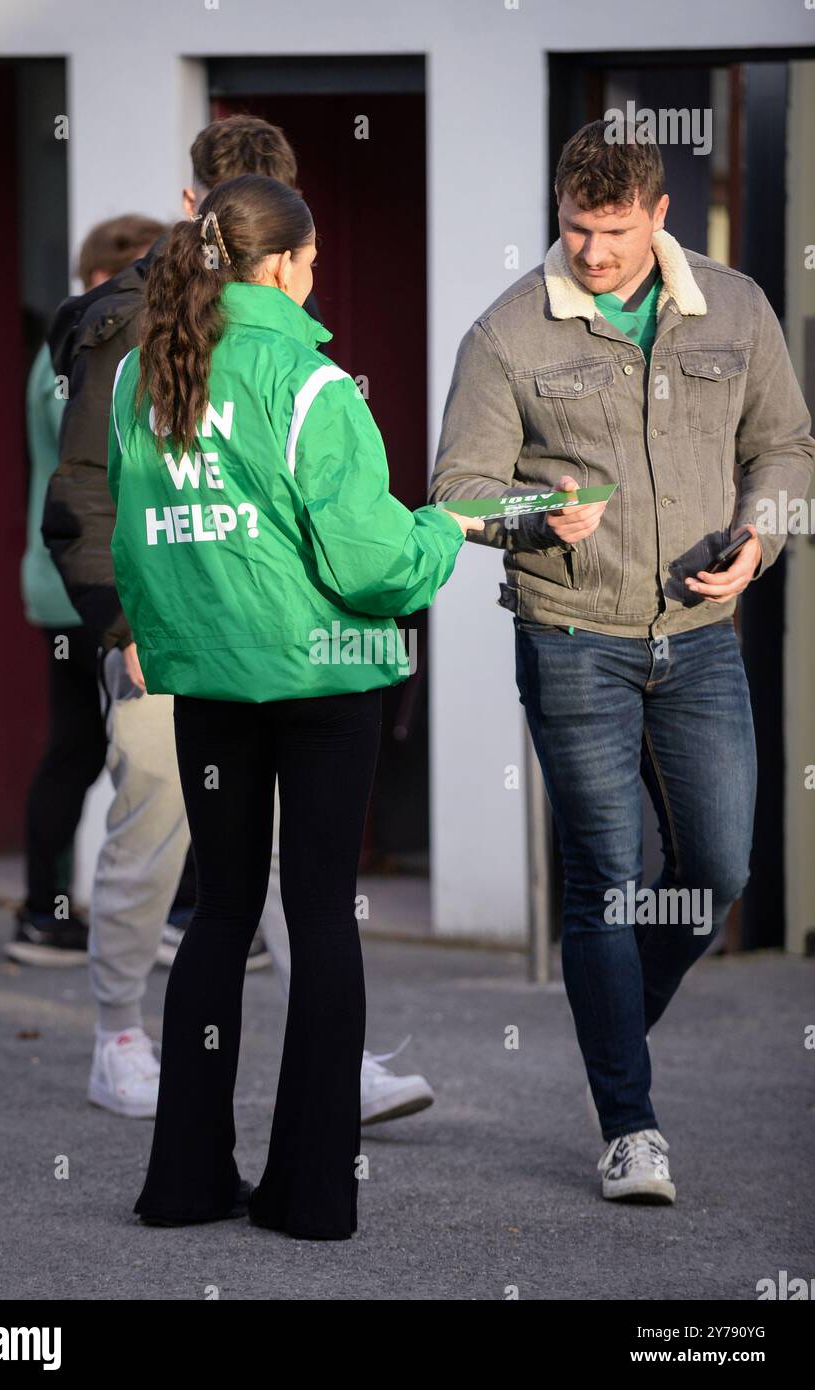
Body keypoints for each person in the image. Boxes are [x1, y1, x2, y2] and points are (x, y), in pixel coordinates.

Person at [429, 120, 814, 1205]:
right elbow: (456, 491)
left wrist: (760, 536)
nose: (589, 252)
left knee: (719, 871)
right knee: (605, 876)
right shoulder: (506, 333)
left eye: (610, 230)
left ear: (656, 215)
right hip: (571, 638)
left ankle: (611, 1019)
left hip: (698, 639)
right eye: (572, 228)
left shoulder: (733, 306)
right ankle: (628, 1124)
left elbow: (785, 446)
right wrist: (536, 513)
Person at [43, 115, 440, 1126]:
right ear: (205, 216)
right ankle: (117, 1034)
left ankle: (323, 1060)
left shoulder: (232, 347)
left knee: (254, 882)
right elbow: (93, 496)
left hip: (216, 642)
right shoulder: (133, 335)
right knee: (160, 837)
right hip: (163, 635)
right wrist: (120, 625)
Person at [109, 173, 480, 1239]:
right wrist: (446, 532)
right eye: (310, 263)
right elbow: (370, 565)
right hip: (323, 679)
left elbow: (135, 543)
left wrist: (159, 640)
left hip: (209, 685)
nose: (314, 281)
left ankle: (181, 1183)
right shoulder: (313, 386)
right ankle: (311, 1193)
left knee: (219, 916)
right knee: (319, 920)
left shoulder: (144, 370)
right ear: (280, 266)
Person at [9, 215, 165, 965]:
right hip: (78, 586)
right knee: (80, 749)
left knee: (91, 746)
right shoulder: (76, 358)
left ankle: (54, 910)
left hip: (75, 581)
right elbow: (97, 460)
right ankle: (45, 912)